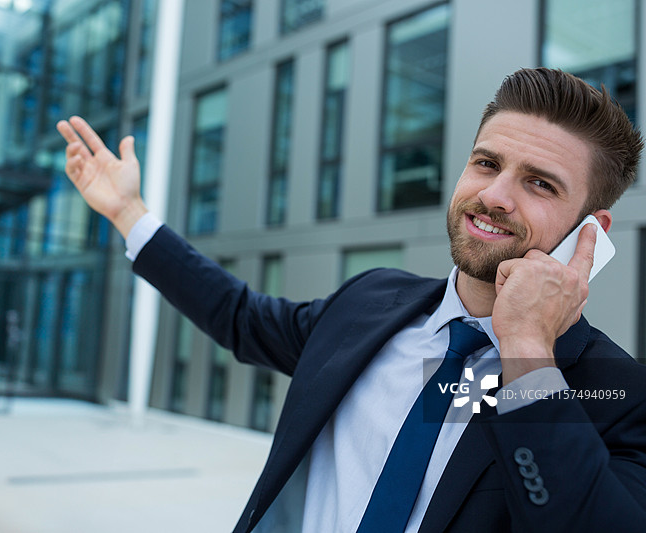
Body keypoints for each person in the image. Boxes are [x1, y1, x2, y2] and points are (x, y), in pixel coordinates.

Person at [57, 68, 646, 532]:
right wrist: (128, 214)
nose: (493, 195)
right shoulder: (370, 302)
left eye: (539, 183)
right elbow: (239, 316)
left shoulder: (619, 393)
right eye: (486, 163)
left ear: (589, 231)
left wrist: (524, 349)